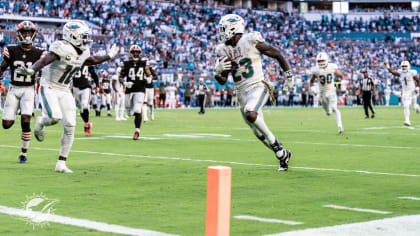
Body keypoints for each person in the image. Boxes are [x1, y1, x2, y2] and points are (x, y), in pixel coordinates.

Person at [18, 20, 119, 173]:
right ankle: (40, 122)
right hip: (49, 87)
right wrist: (32, 70)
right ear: (73, 36)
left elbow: (93, 61)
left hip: (65, 89)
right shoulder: (61, 47)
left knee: (70, 125)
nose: (86, 39)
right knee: (54, 117)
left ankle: (61, 163)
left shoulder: (83, 51)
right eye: (83, 36)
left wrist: (109, 56)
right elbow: (45, 60)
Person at [214, 14, 293, 171]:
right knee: (257, 132)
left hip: (258, 86)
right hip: (241, 93)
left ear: (233, 27)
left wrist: (289, 75)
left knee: (251, 113)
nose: (221, 32)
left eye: (223, 29)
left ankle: (277, 147)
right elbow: (222, 81)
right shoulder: (222, 49)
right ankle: (283, 155)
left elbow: (277, 53)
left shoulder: (250, 40)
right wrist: (217, 72)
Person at [0, 21, 46, 163]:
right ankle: (13, 115)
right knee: (6, 124)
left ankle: (23, 154)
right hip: (14, 89)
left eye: (29, 32)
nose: (27, 35)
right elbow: (2, 68)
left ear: (34, 35)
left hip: (28, 89)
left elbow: (45, 71)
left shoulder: (39, 52)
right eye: (25, 32)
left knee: (25, 121)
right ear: (19, 34)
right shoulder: (11, 49)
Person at [119, 45, 152, 140]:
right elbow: (120, 77)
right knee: (128, 111)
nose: (135, 54)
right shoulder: (125, 64)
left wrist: (149, 79)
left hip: (140, 90)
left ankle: (137, 131)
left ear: (140, 53)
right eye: (134, 52)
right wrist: (124, 83)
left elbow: (149, 75)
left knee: (137, 109)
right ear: (131, 53)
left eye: (137, 52)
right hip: (129, 90)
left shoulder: (144, 63)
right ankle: (132, 113)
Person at [309, 52, 344, 133]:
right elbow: (311, 81)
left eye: (322, 60)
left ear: (326, 60)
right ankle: (328, 111)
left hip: (331, 90)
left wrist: (343, 85)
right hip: (322, 93)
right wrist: (312, 88)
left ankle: (340, 126)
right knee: (328, 112)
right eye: (319, 61)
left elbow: (341, 76)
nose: (321, 62)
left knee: (334, 108)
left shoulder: (332, 67)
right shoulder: (316, 70)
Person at [385, 61, 420, 126]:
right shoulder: (400, 72)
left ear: (408, 66)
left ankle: (417, 107)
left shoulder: (412, 72)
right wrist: (387, 65)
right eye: (403, 66)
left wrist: (417, 88)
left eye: (405, 66)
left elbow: (418, 80)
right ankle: (407, 120)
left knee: (413, 107)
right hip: (405, 91)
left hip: (412, 91)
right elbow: (392, 72)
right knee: (406, 105)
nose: (404, 68)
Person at [72, 63, 98, 136]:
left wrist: (97, 86)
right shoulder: (73, 60)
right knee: (81, 109)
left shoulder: (88, 62)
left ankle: (86, 125)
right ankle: (87, 123)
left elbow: (94, 75)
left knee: (84, 105)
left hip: (86, 87)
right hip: (75, 87)